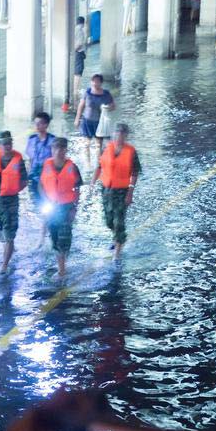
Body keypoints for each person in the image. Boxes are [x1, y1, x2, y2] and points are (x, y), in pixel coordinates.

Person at [91, 123, 141, 261]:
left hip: (122, 191)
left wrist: (130, 192)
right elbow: (99, 166)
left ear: (126, 136)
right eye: (117, 133)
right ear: (113, 134)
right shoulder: (106, 148)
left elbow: (135, 172)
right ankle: (117, 237)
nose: (119, 136)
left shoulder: (131, 152)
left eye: (122, 134)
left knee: (119, 221)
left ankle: (117, 252)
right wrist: (92, 183)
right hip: (106, 189)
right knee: (108, 221)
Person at [0, 131, 28, 274]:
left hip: (11, 200)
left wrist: (12, 189)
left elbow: (24, 180)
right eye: (5, 143)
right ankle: (9, 248)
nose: (8, 146)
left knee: (9, 233)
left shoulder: (18, 159)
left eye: (10, 143)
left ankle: (4, 265)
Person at [40, 137, 83, 279]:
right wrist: (44, 201)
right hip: (51, 207)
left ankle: (62, 271)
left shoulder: (72, 167)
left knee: (63, 238)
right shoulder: (46, 165)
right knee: (54, 237)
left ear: (65, 150)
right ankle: (62, 263)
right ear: (52, 150)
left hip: (66, 208)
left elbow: (77, 188)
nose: (58, 151)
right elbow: (40, 185)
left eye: (62, 148)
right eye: (56, 148)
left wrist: (74, 208)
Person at [25, 111, 57, 246]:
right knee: (40, 207)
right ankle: (48, 228)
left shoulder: (53, 141)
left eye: (40, 124)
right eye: (35, 123)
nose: (37, 126)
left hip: (47, 181)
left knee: (47, 206)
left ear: (46, 125)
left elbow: (56, 162)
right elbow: (30, 160)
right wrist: (27, 177)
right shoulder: (31, 139)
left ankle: (43, 236)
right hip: (34, 179)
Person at [73, 74, 115, 158]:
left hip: (99, 123)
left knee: (98, 145)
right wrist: (77, 119)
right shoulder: (87, 92)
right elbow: (81, 106)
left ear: (101, 83)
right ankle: (87, 163)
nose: (95, 83)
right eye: (93, 81)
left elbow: (113, 106)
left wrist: (107, 107)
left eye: (97, 81)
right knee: (86, 144)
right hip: (87, 121)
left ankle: (98, 161)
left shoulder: (106, 94)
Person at [73, 16, 87, 107]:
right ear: (83, 23)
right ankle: (75, 91)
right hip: (78, 53)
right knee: (78, 72)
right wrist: (76, 50)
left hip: (75, 53)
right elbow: (79, 44)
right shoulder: (80, 31)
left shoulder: (74, 30)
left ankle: (75, 90)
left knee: (75, 72)